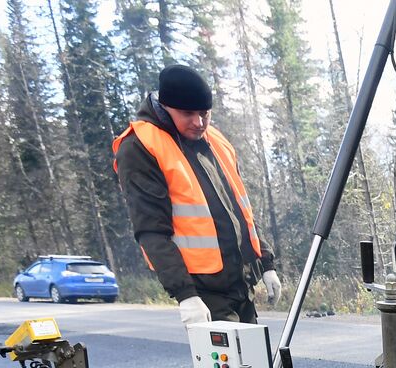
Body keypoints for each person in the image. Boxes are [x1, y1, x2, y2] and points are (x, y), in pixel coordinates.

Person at [113, 65, 281, 327]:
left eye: (204, 113)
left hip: (240, 284)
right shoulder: (139, 147)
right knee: (230, 367)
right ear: (165, 107)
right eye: (187, 114)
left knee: (254, 366)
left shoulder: (215, 140)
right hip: (204, 292)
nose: (198, 122)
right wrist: (185, 294)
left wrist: (265, 262)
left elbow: (241, 211)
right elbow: (151, 230)